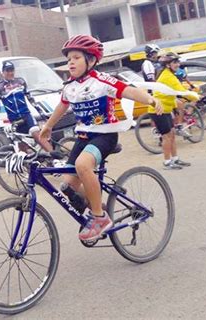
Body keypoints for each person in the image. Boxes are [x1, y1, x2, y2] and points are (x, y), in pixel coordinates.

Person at [40, 35, 162, 242]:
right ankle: (97, 204)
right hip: (83, 137)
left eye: (76, 57)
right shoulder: (70, 87)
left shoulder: (101, 81)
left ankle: (99, 217)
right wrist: (48, 126)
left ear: (92, 60)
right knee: (67, 186)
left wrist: (150, 99)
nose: (70, 62)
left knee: (83, 165)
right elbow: (62, 106)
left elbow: (129, 91)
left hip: (104, 137)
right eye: (69, 58)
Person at [152, 52, 199, 170]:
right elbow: (181, 91)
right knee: (167, 136)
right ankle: (167, 162)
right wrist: (196, 96)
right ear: (168, 65)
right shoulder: (168, 76)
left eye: (178, 62)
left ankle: (175, 159)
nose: (178, 64)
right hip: (158, 110)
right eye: (175, 62)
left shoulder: (168, 74)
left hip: (166, 108)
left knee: (172, 134)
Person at [0, 60, 53, 152]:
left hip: (26, 115)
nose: (10, 73)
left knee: (37, 136)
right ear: (2, 73)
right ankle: (29, 164)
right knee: (22, 147)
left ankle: (55, 158)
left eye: (12, 70)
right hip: (14, 119)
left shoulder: (20, 81)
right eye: (7, 71)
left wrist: (42, 114)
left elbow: (31, 99)